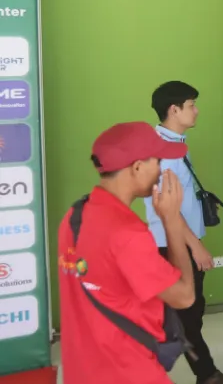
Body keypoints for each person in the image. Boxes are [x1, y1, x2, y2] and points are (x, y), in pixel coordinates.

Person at [57, 122, 196, 383]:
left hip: (81, 373)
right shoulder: (127, 234)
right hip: (129, 371)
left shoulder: (74, 217)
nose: (161, 170)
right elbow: (184, 296)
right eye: (158, 161)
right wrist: (171, 221)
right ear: (138, 167)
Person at [143, 81, 223, 384]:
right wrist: (196, 247)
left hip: (178, 242)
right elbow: (168, 208)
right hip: (174, 245)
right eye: (191, 105)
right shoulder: (163, 151)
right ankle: (207, 375)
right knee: (187, 316)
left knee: (187, 316)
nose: (196, 111)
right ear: (174, 110)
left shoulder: (172, 143)